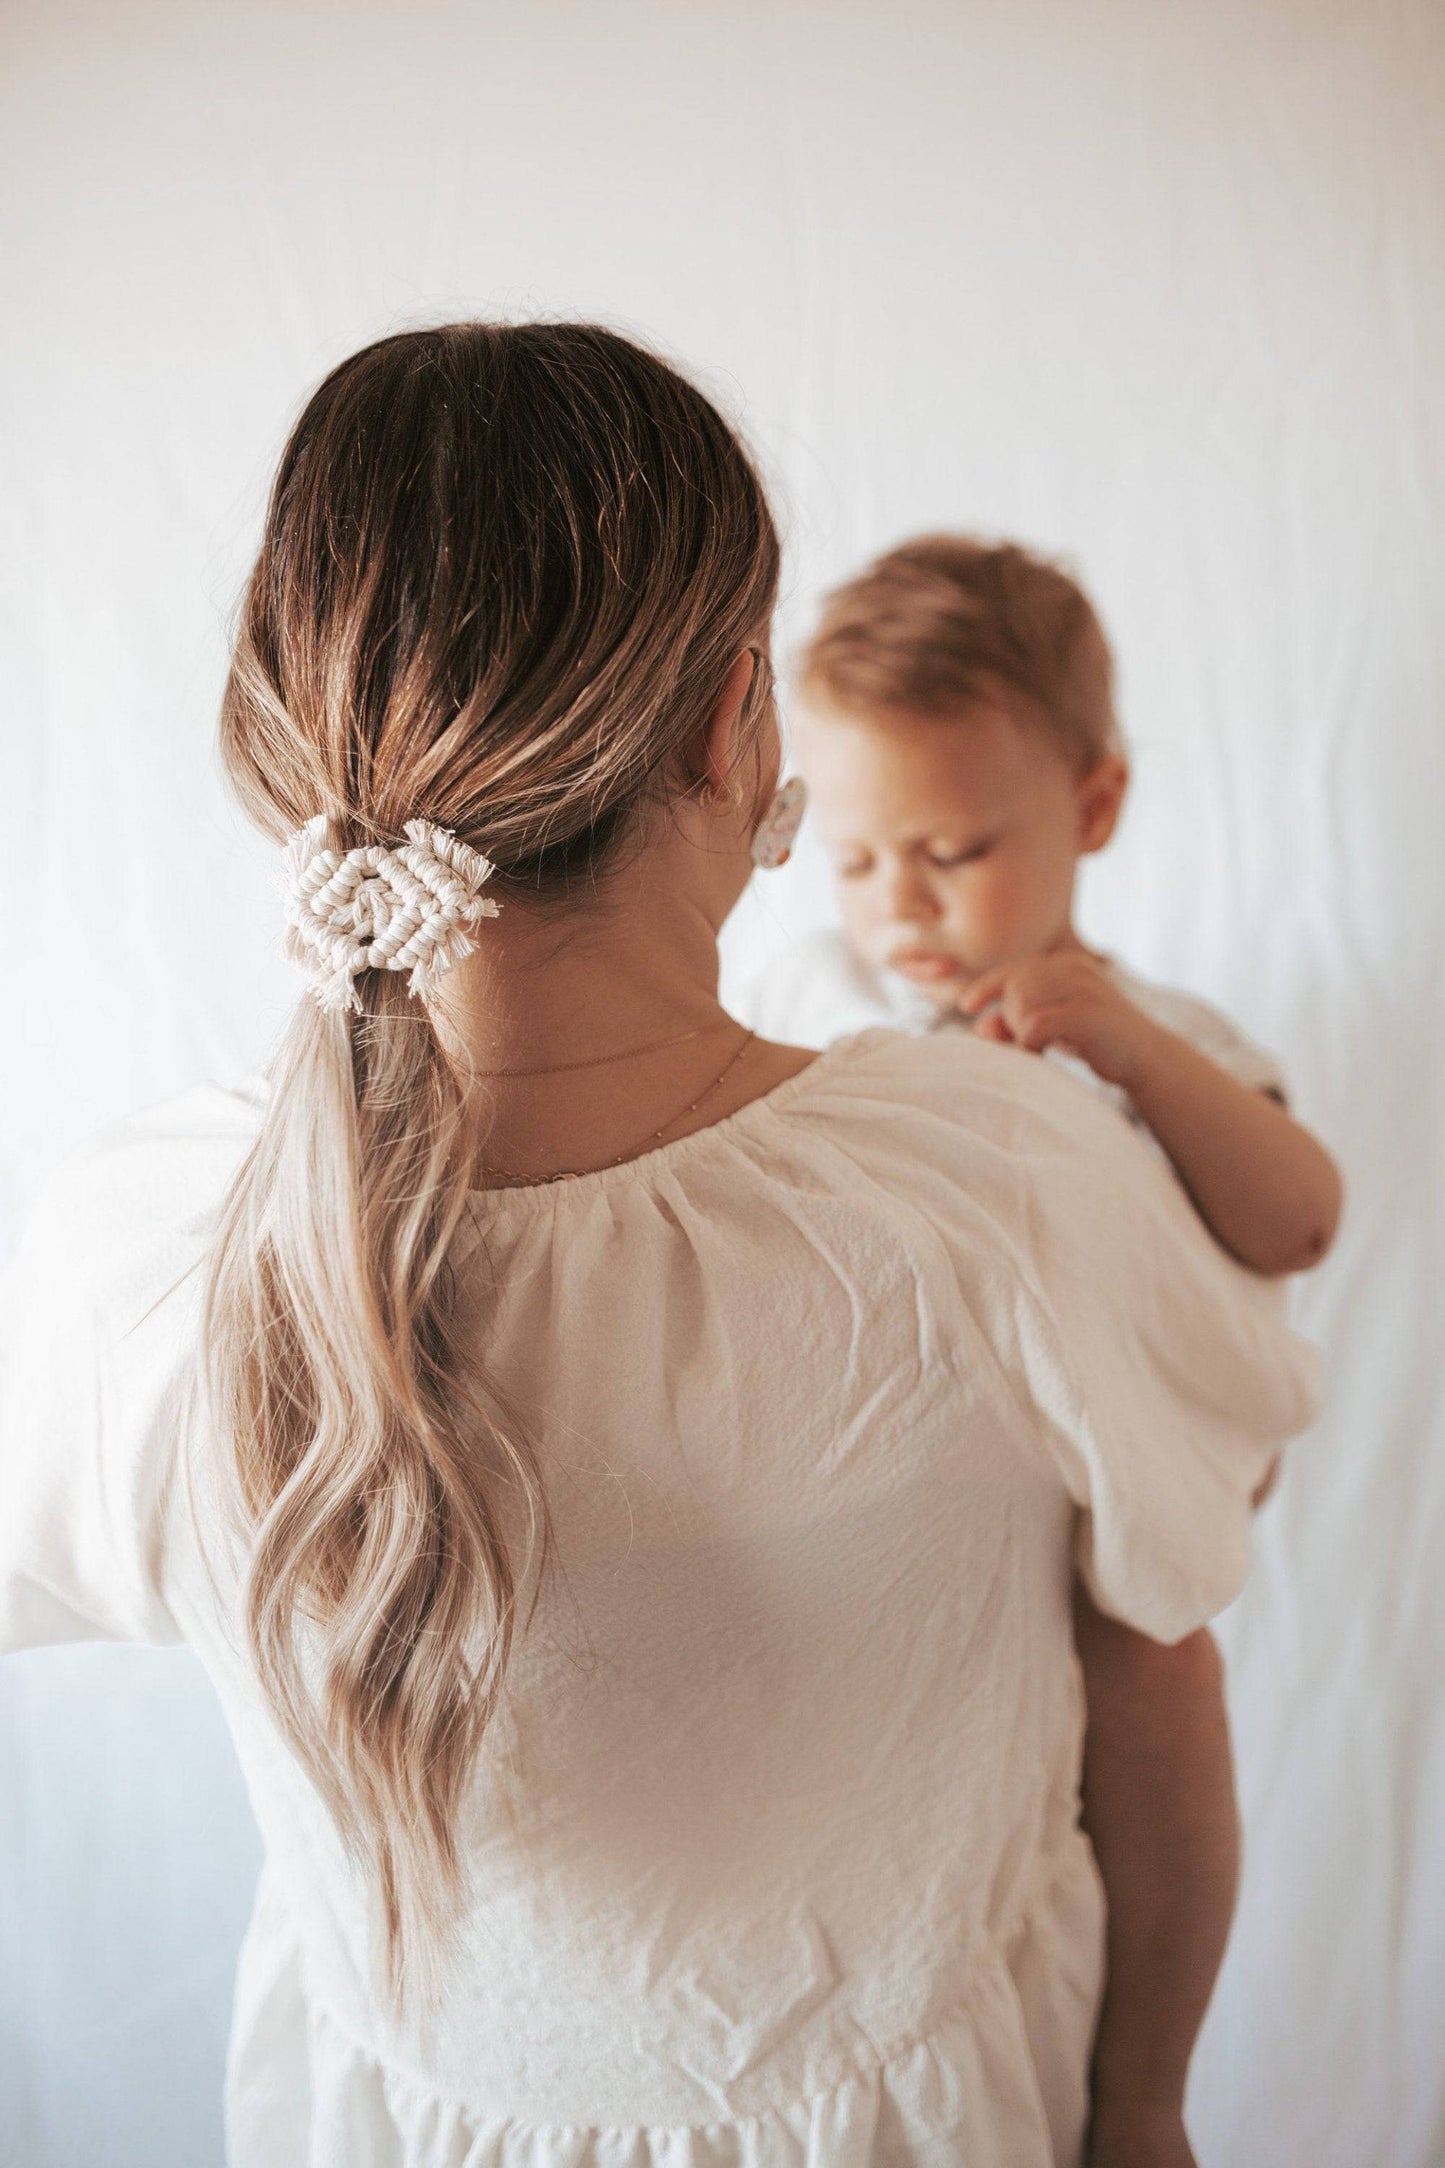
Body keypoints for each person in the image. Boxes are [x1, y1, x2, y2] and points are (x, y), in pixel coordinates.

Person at [0, 328, 1317, 2168]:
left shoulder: (133, 1260)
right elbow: (1161, 1675)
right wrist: (1147, 2112)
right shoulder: (1003, 1194)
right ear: (732, 724)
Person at [748, 532, 1343, 2160]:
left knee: (1156, 1682)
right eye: (857, 858)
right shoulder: (801, 1003)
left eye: (949, 848)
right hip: (889, 1501)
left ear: (1090, 809)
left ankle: (1142, 2090)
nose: (902, 905)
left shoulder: (1140, 1024)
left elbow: (1295, 1223)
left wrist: (1130, 1052)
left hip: (1100, 1526)